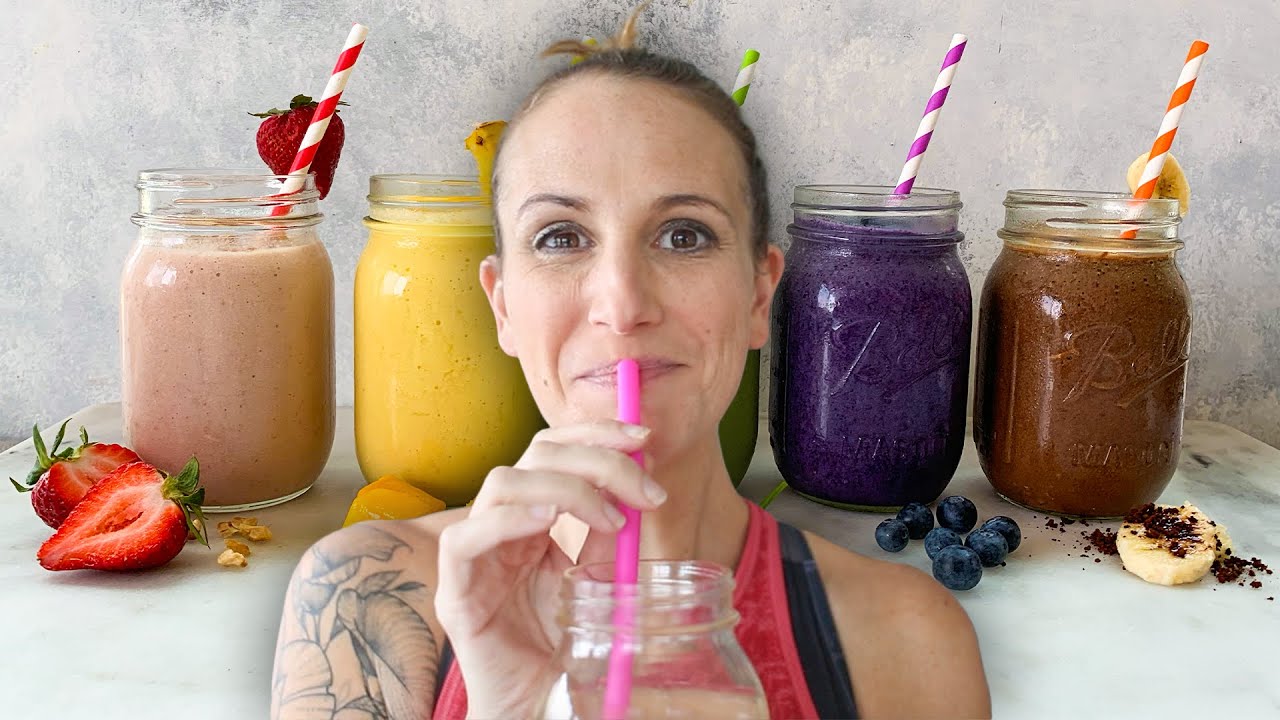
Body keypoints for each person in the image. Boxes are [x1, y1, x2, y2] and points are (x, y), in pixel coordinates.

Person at [271, 10, 991, 720]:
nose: (622, 304)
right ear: (503, 308)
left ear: (757, 295)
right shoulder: (359, 598)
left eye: (683, 236)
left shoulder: (909, 643)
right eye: (560, 237)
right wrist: (509, 708)